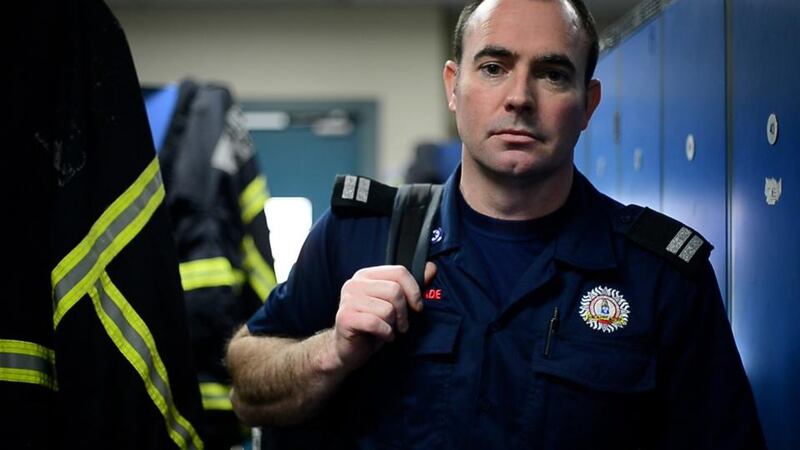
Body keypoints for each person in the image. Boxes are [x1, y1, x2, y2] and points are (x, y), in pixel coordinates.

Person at [225, 0, 766, 448]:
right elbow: (247, 387)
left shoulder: (661, 277)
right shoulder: (360, 236)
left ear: (588, 104)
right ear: (453, 87)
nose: (519, 98)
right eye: (493, 67)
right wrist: (333, 351)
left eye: (552, 74)